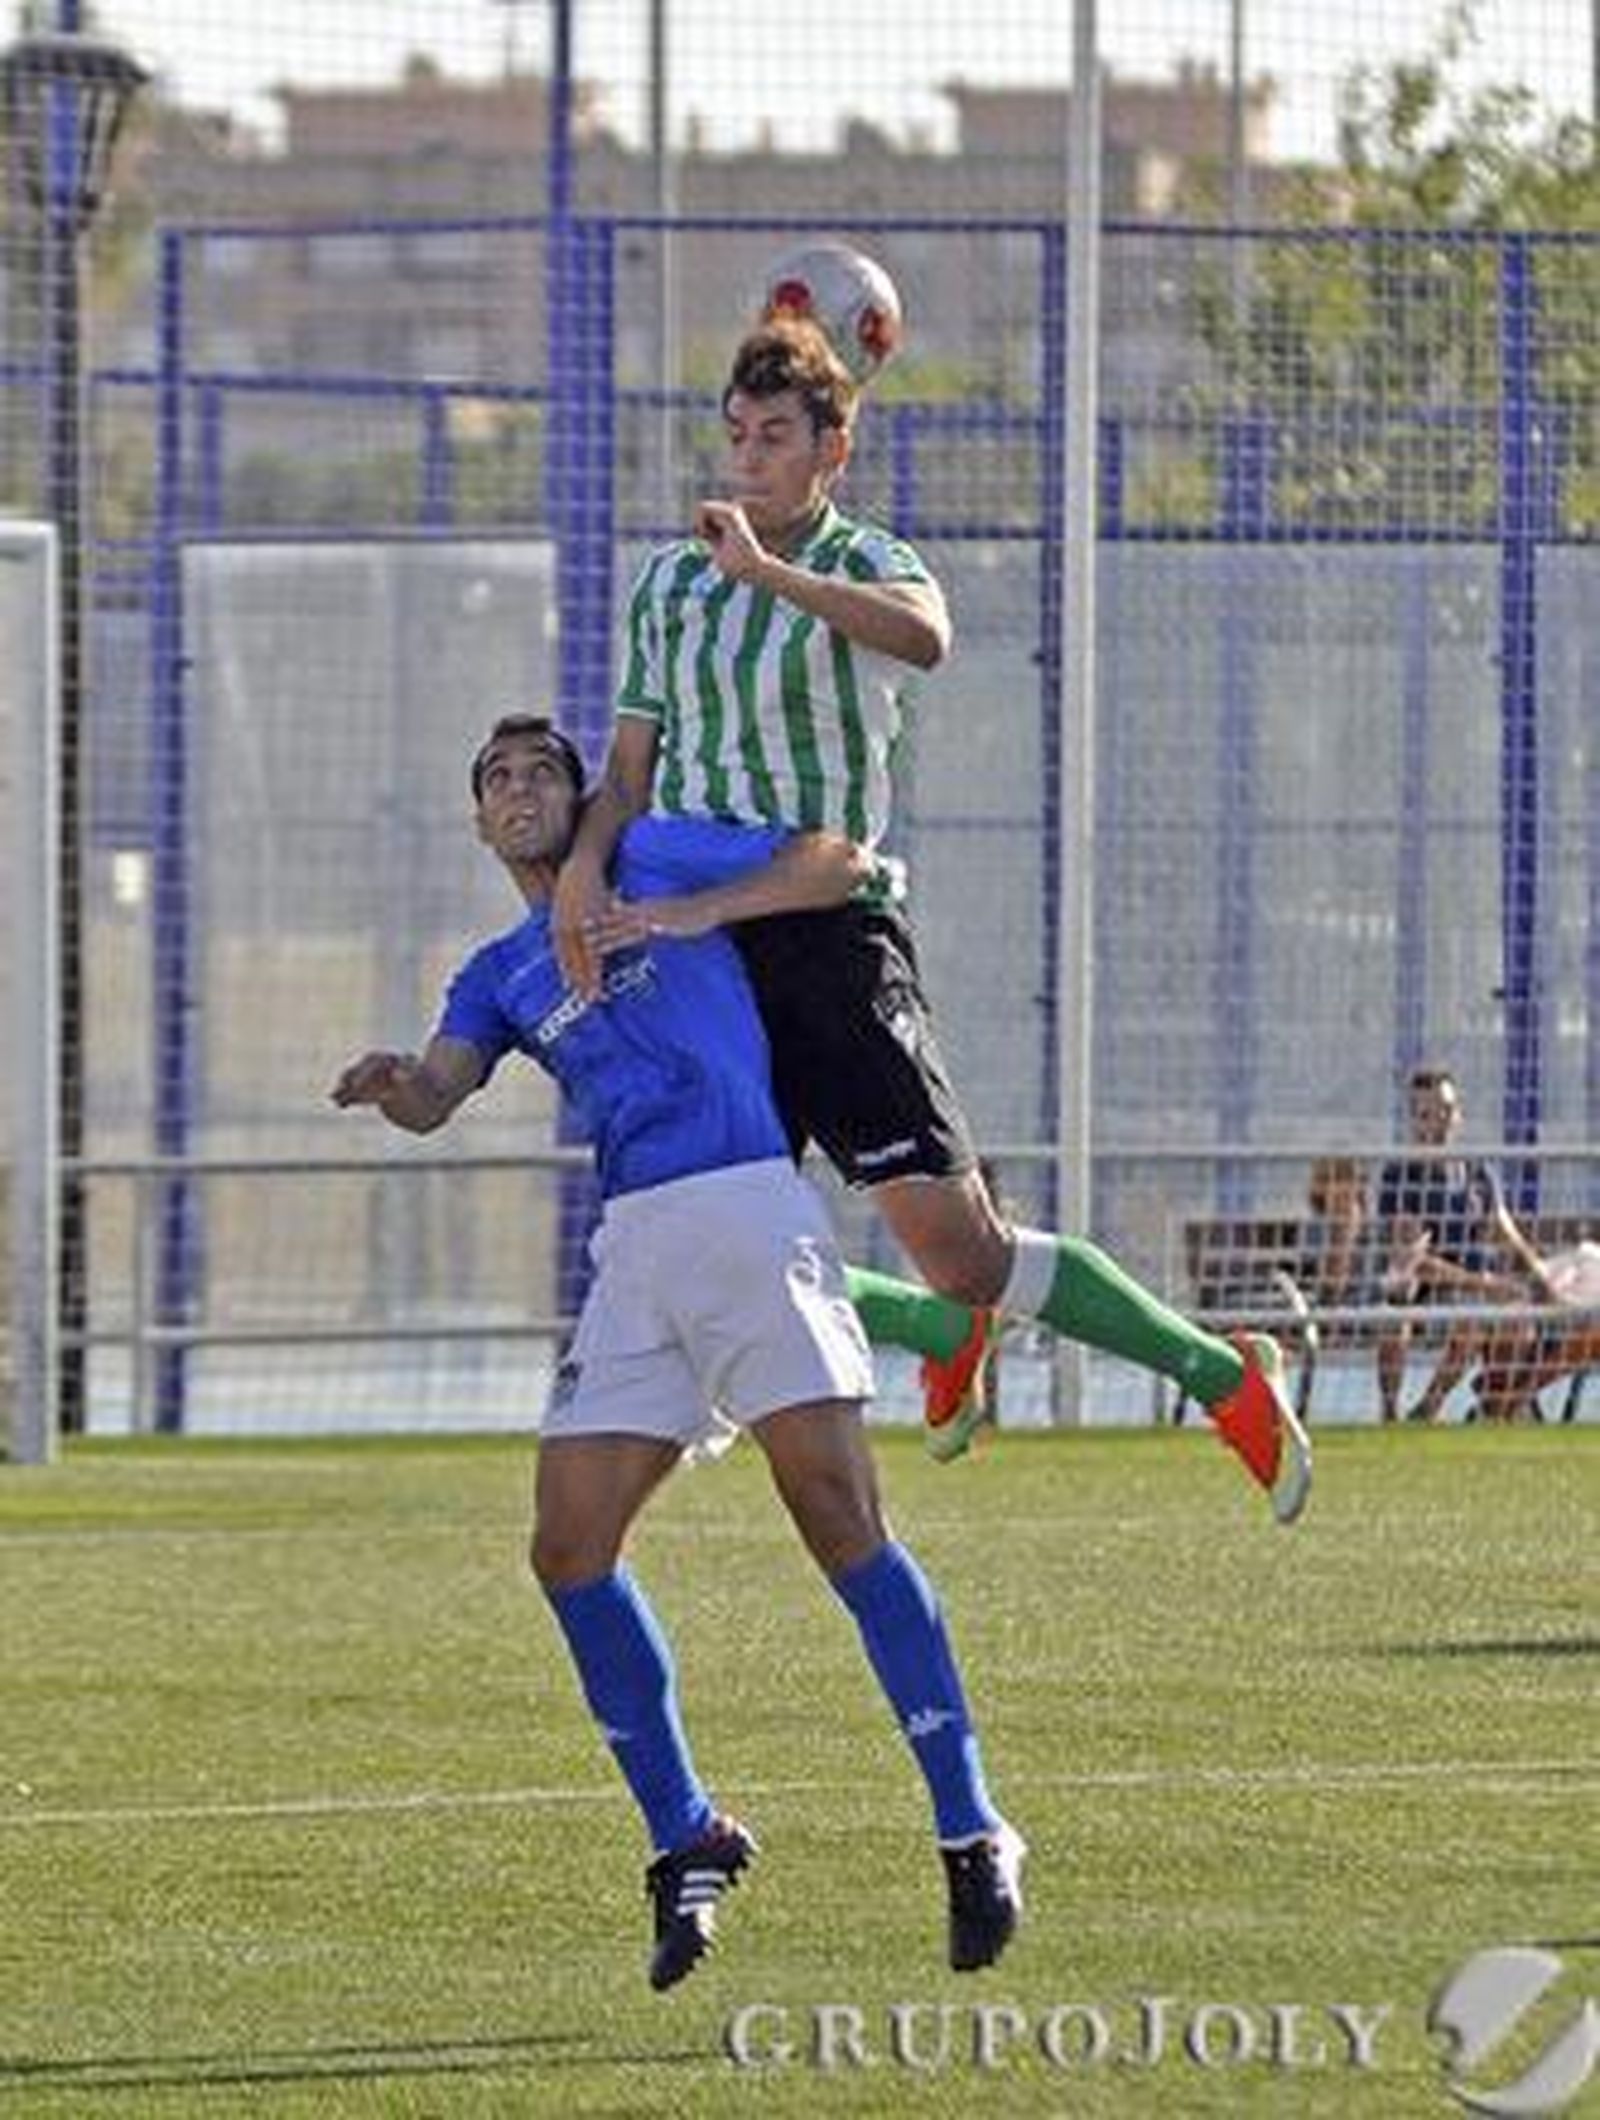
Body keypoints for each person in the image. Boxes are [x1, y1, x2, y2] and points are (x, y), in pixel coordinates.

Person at [553, 311, 1311, 1523]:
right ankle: (934, 1334)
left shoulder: (860, 560)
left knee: (963, 1247)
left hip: (824, 927)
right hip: (696, 940)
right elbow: (631, 767)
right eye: (736, 434)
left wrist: (771, 572)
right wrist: (587, 871)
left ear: (831, 450)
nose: (748, 457)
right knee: (722, 1237)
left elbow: (929, 637)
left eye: (775, 437)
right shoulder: (668, 583)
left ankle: (1222, 1373)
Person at [331, 715, 1024, 1991]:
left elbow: (835, 854)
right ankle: (686, 1832)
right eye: (495, 777)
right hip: (639, 1250)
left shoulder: (652, 861)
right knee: (567, 1544)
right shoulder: (497, 970)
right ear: (480, 823)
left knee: (837, 1518)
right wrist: (396, 1086)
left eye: (542, 767)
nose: (520, 785)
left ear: (578, 791)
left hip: (751, 1206)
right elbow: (439, 1090)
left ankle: (970, 1824)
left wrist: (714, 907)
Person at [1375, 1064, 1560, 1424]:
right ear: (1414, 1120)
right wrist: (1487, 1285)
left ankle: (1470, 1408)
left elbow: (1508, 1237)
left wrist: (1545, 1279)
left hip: (1470, 1291)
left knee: (1509, 1314)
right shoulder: (1401, 1175)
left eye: (1446, 1110)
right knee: (1397, 1315)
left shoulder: (1476, 1172)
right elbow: (1413, 1261)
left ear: (1458, 1114)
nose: (1438, 1121)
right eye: (1427, 1113)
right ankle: (1391, 1416)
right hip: (1421, 1289)